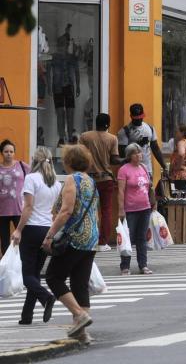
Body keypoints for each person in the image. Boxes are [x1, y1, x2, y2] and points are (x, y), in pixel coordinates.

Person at [42, 145, 99, 342]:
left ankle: (80, 314)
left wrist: (50, 235)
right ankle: (81, 331)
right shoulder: (90, 181)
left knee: (53, 277)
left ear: (68, 162)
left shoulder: (71, 179)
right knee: (79, 284)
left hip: (75, 238)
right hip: (91, 238)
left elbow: (66, 211)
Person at [11, 147, 61, 325]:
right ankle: (26, 316)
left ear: (35, 160)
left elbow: (28, 207)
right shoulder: (56, 182)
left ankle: (46, 297)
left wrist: (18, 229)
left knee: (26, 276)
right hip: (48, 230)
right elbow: (56, 210)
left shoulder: (31, 178)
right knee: (35, 274)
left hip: (32, 229)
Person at [79, 113, 124, 252]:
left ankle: (87, 239)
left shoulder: (85, 137)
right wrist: (126, 160)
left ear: (95, 123)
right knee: (106, 211)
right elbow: (114, 160)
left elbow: (80, 155)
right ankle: (102, 242)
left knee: (87, 210)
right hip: (106, 179)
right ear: (108, 124)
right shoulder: (112, 138)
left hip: (88, 179)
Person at [118, 143, 154, 275]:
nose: (139, 155)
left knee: (142, 237)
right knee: (128, 237)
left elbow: (149, 187)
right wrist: (121, 209)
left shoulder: (144, 167)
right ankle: (125, 266)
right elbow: (121, 191)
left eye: (140, 152)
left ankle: (143, 265)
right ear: (129, 156)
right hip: (130, 209)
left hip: (145, 207)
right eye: (136, 153)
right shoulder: (124, 170)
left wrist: (152, 201)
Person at [117, 103, 167, 178]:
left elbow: (155, 149)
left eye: (141, 117)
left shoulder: (150, 128)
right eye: (136, 118)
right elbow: (122, 154)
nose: (139, 120)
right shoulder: (124, 132)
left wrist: (164, 166)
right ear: (131, 116)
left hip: (147, 170)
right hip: (131, 171)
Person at [0, 139, 30, 257]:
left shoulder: (22, 166)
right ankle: (6, 266)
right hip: (2, 211)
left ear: (14, 152)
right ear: (2, 153)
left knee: (22, 239)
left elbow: (34, 180)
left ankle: (21, 263)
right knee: (4, 241)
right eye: (6, 151)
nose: (9, 154)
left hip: (19, 209)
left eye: (11, 151)